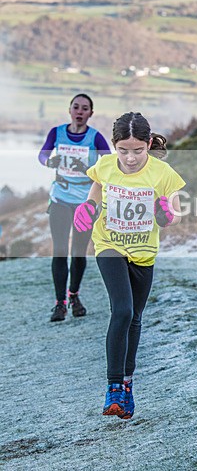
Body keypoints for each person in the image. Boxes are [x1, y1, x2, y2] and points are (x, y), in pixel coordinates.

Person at [74, 112, 185, 420]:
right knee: (121, 310)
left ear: (149, 144)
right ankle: (112, 388)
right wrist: (88, 208)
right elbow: (94, 195)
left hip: (143, 253)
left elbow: (175, 214)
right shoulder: (106, 166)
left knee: (135, 318)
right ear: (114, 145)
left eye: (138, 150)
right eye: (123, 150)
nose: (131, 157)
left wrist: (165, 214)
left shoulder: (163, 173)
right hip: (109, 245)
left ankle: (127, 387)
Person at [38, 93, 110, 322]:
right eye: (76, 107)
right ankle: (59, 304)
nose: (80, 111)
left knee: (78, 252)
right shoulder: (57, 133)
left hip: (85, 202)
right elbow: (42, 154)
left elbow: (108, 162)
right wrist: (50, 162)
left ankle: (74, 296)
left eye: (85, 108)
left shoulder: (95, 138)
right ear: (70, 110)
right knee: (59, 250)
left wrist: (90, 168)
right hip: (60, 197)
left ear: (91, 113)